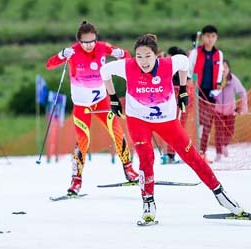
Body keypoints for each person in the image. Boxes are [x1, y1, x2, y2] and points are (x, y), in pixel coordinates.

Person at [100, 34, 243, 225]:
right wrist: (113, 98)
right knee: (146, 158)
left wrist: (183, 89)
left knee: (191, 156)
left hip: (166, 120)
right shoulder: (127, 66)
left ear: (156, 55)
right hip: (138, 120)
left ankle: (220, 194)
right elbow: (104, 71)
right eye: (139, 57)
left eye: (148, 56)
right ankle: (148, 203)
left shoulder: (168, 64)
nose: (143, 61)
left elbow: (184, 63)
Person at [46, 20, 138, 196]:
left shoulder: (103, 47)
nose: (89, 45)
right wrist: (61, 55)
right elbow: (49, 65)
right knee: (83, 140)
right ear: (79, 41)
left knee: (117, 132)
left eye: (92, 41)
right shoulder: (72, 51)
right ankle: (76, 179)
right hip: (82, 106)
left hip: (101, 101)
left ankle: (129, 169)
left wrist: (121, 53)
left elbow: (127, 56)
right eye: (85, 42)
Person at [187, 25, 224, 160]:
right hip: (197, 91)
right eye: (208, 36)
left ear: (216, 38)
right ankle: (196, 150)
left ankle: (202, 151)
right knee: (199, 122)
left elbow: (219, 71)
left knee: (208, 123)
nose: (210, 39)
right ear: (202, 37)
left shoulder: (218, 54)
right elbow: (189, 68)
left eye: (213, 36)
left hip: (211, 92)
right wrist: (190, 80)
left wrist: (219, 84)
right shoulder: (196, 53)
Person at [213, 60, 248, 162]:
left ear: (229, 69)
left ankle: (224, 145)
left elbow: (242, 92)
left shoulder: (233, 80)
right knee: (219, 132)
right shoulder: (215, 79)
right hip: (217, 110)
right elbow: (209, 92)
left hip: (230, 110)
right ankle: (218, 153)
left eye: (226, 67)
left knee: (230, 131)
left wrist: (243, 107)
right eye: (221, 68)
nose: (223, 70)